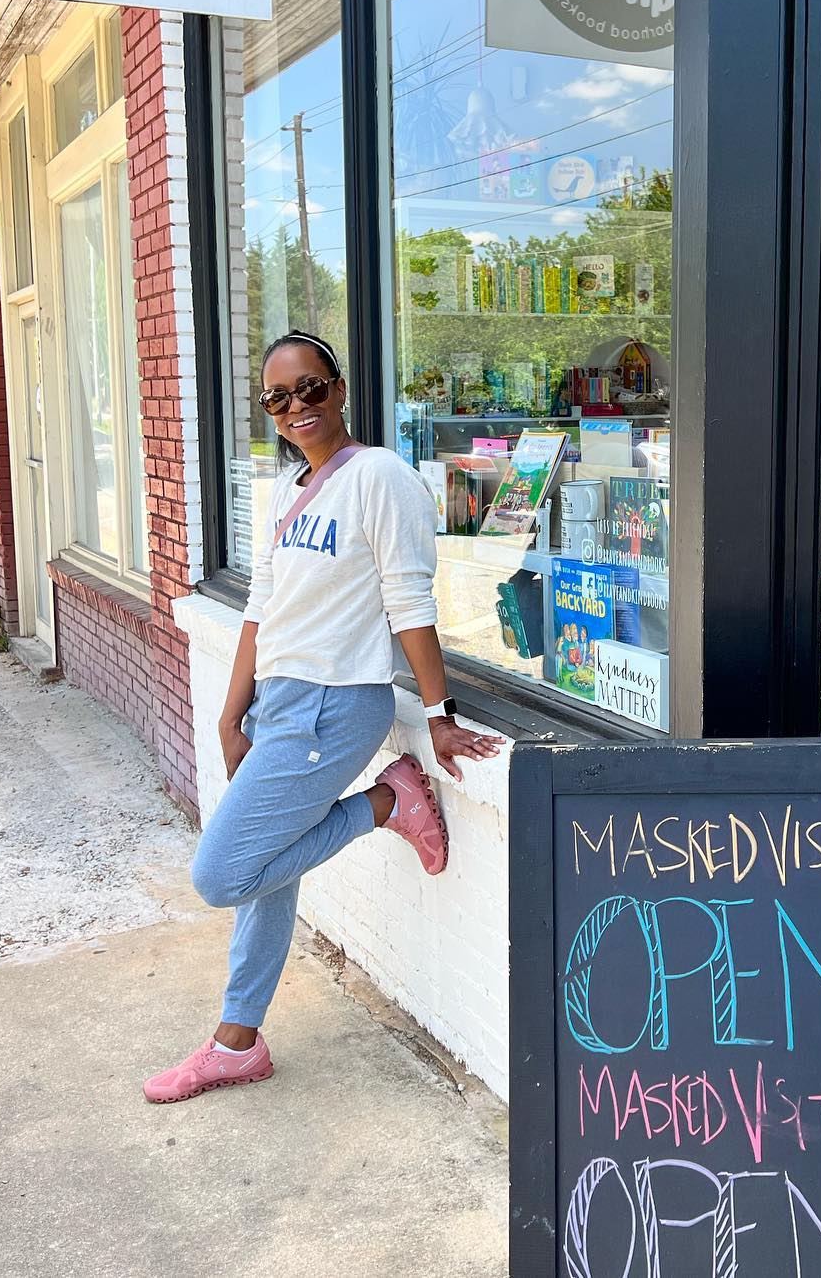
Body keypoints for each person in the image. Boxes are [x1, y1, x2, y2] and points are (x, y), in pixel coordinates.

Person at [144, 329, 501, 1103]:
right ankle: (237, 1041)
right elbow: (263, 608)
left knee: (222, 872)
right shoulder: (290, 489)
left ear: (339, 388)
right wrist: (231, 711)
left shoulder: (381, 477)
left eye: (311, 388)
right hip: (282, 706)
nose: (297, 406)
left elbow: (410, 602)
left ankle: (388, 800)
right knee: (270, 871)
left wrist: (438, 714)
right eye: (279, 397)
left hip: (335, 709)